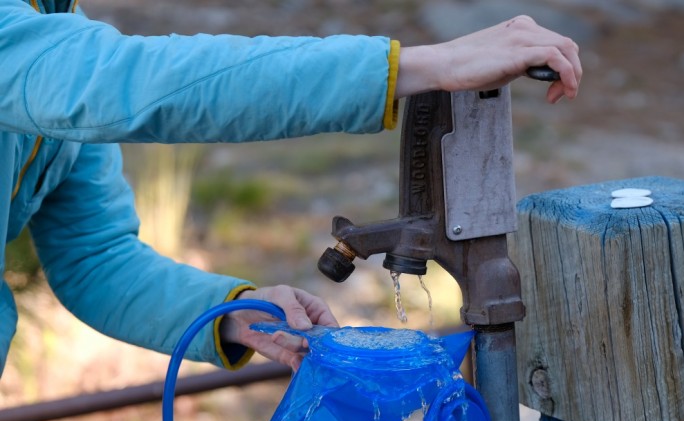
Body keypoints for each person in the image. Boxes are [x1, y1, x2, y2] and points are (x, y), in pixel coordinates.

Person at [0, 0, 582, 374]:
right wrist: (429, 66)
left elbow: (98, 261)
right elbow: (132, 84)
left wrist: (229, 312)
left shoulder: (52, 20)